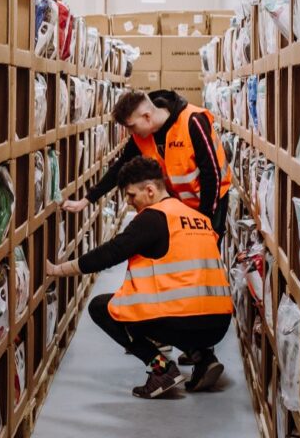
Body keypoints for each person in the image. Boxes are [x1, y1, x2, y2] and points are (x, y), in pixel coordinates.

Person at [47, 157, 233, 399]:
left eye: (132, 195)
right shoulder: (196, 216)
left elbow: (109, 254)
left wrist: (57, 270)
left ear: (150, 190)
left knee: (102, 307)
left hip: (182, 320)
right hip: (218, 325)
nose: (129, 202)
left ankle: (161, 370)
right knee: (182, 309)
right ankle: (203, 358)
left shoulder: (153, 218)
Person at [64, 89, 232, 235]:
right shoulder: (140, 137)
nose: (130, 132)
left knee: (206, 253)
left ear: (147, 116)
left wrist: (203, 220)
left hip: (212, 202)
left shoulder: (192, 121)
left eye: (131, 126)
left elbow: (212, 174)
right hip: (180, 203)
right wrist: (87, 199)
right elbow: (120, 168)